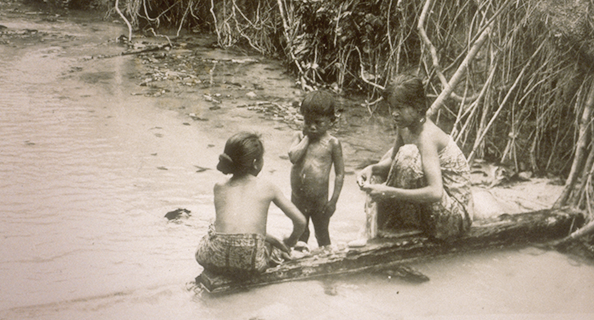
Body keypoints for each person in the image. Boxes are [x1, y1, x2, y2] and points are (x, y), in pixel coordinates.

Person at [356, 77, 473, 240]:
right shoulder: (405, 126)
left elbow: (435, 192)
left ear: (418, 107)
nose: (394, 114)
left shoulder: (427, 137)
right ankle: (397, 223)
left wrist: (388, 192)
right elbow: (393, 160)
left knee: (408, 154)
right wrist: (373, 168)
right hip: (437, 207)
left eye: (400, 108)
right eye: (391, 107)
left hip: (454, 217)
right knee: (389, 160)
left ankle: (408, 224)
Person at [196, 132, 306, 276]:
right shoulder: (268, 187)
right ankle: (283, 254)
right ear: (255, 163)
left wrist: (270, 238)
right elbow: (301, 221)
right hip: (251, 264)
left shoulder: (219, 186)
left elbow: (231, 229)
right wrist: (290, 242)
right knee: (265, 248)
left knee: (213, 224)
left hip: (215, 260)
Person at [288, 90, 345, 250]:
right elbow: (293, 157)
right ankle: (299, 260)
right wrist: (307, 137)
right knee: (300, 232)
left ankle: (326, 263)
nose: (312, 127)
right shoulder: (299, 137)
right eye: (308, 122)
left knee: (322, 233)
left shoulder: (332, 143)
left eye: (318, 123)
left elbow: (340, 174)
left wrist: (333, 201)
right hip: (298, 198)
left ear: (331, 121)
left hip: (320, 201)